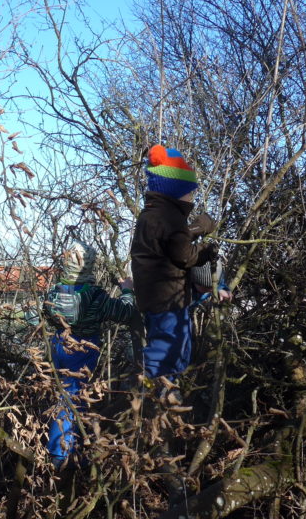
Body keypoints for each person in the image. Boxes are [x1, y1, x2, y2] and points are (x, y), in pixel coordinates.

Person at [130, 145, 221, 382]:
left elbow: (171, 244)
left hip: (154, 297)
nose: (191, 197)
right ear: (175, 190)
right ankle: (155, 401)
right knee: (166, 356)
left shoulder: (152, 213)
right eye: (189, 192)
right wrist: (206, 250)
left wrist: (195, 229)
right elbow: (185, 256)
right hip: (167, 299)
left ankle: (164, 398)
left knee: (172, 352)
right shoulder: (170, 217)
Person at [44, 240, 137, 467]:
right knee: (73, 395)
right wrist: (127, 290)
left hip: (59, 344)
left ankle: (68, 444)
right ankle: (60, 453)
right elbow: (125, 313)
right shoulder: (95, 296)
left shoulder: (54, 293)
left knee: (65, 392)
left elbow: (46, 316)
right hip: (84, 348)